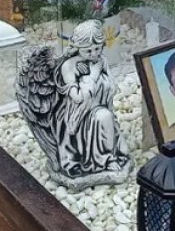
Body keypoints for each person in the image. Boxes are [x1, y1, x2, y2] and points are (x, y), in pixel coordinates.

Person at [53, 20, 129, 177]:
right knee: (104, 116)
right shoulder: (69, 66)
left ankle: (108, 156)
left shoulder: (101, 60)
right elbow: (77, 97)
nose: (94, 54)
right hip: (79, 116)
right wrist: (92, 76)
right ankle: (106, 159)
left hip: (101, 107)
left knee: (107, 119)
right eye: (88, 51)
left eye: (97, 48)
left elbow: (112, 87)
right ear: (77, 47)